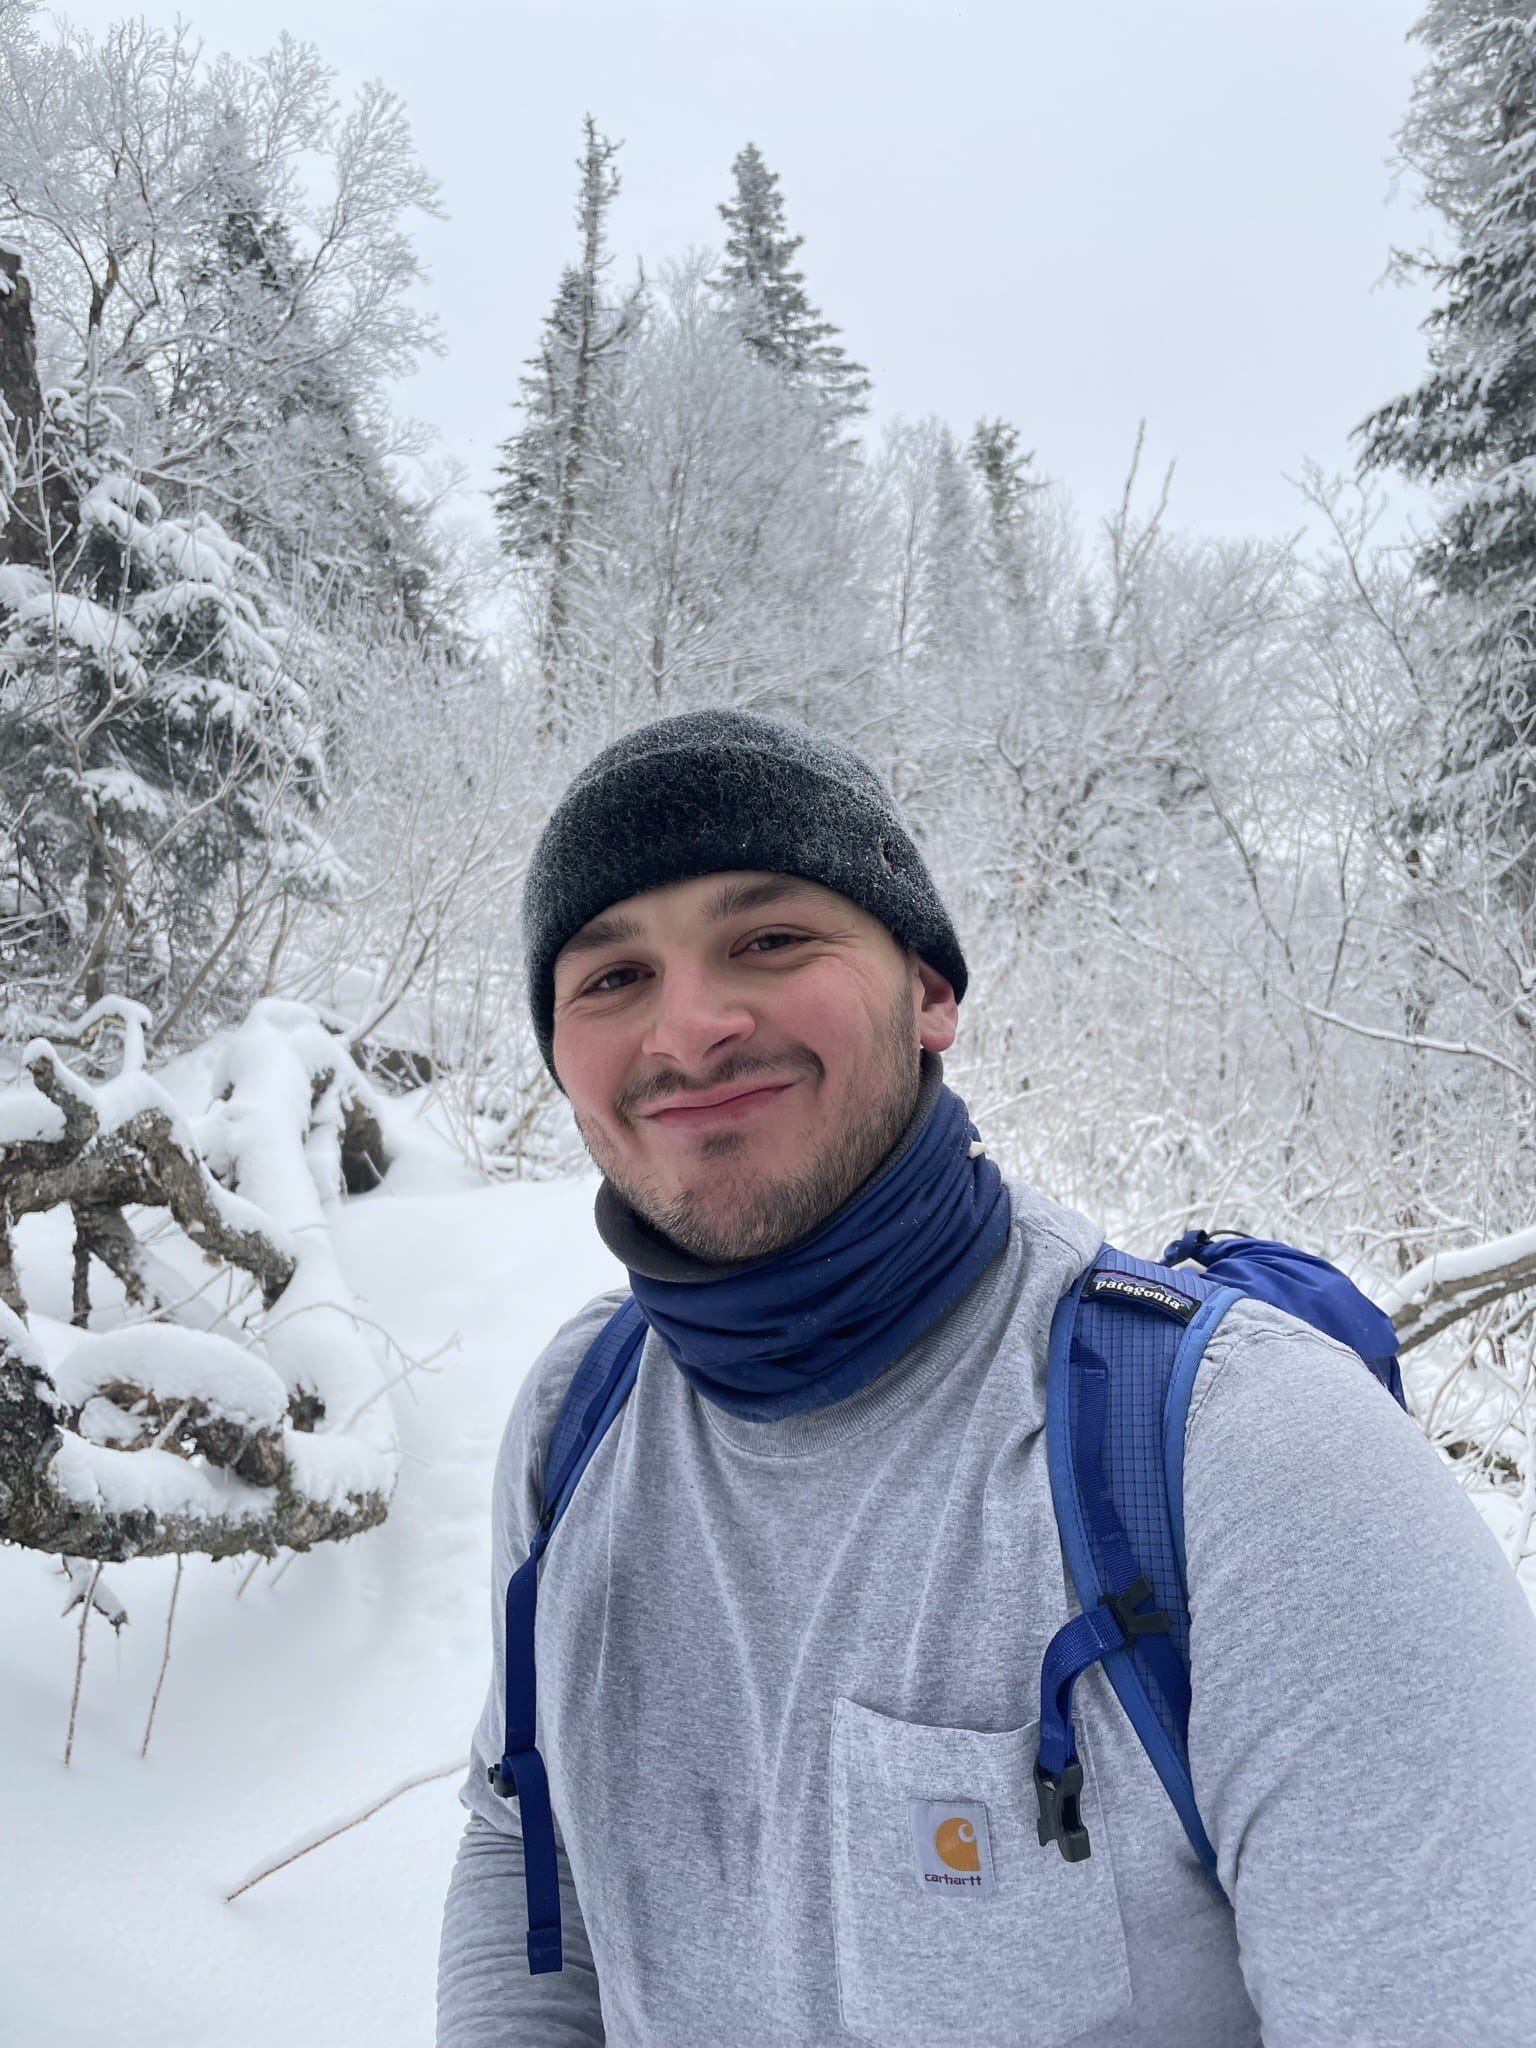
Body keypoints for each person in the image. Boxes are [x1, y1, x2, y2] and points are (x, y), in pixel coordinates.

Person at [437, 710, 1536, 2048]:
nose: (691, 1028)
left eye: (769, 940)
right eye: (612, 976)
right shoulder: (576, 1418)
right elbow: (524, 1843)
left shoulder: (1254, 1457)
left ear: (930, 993)